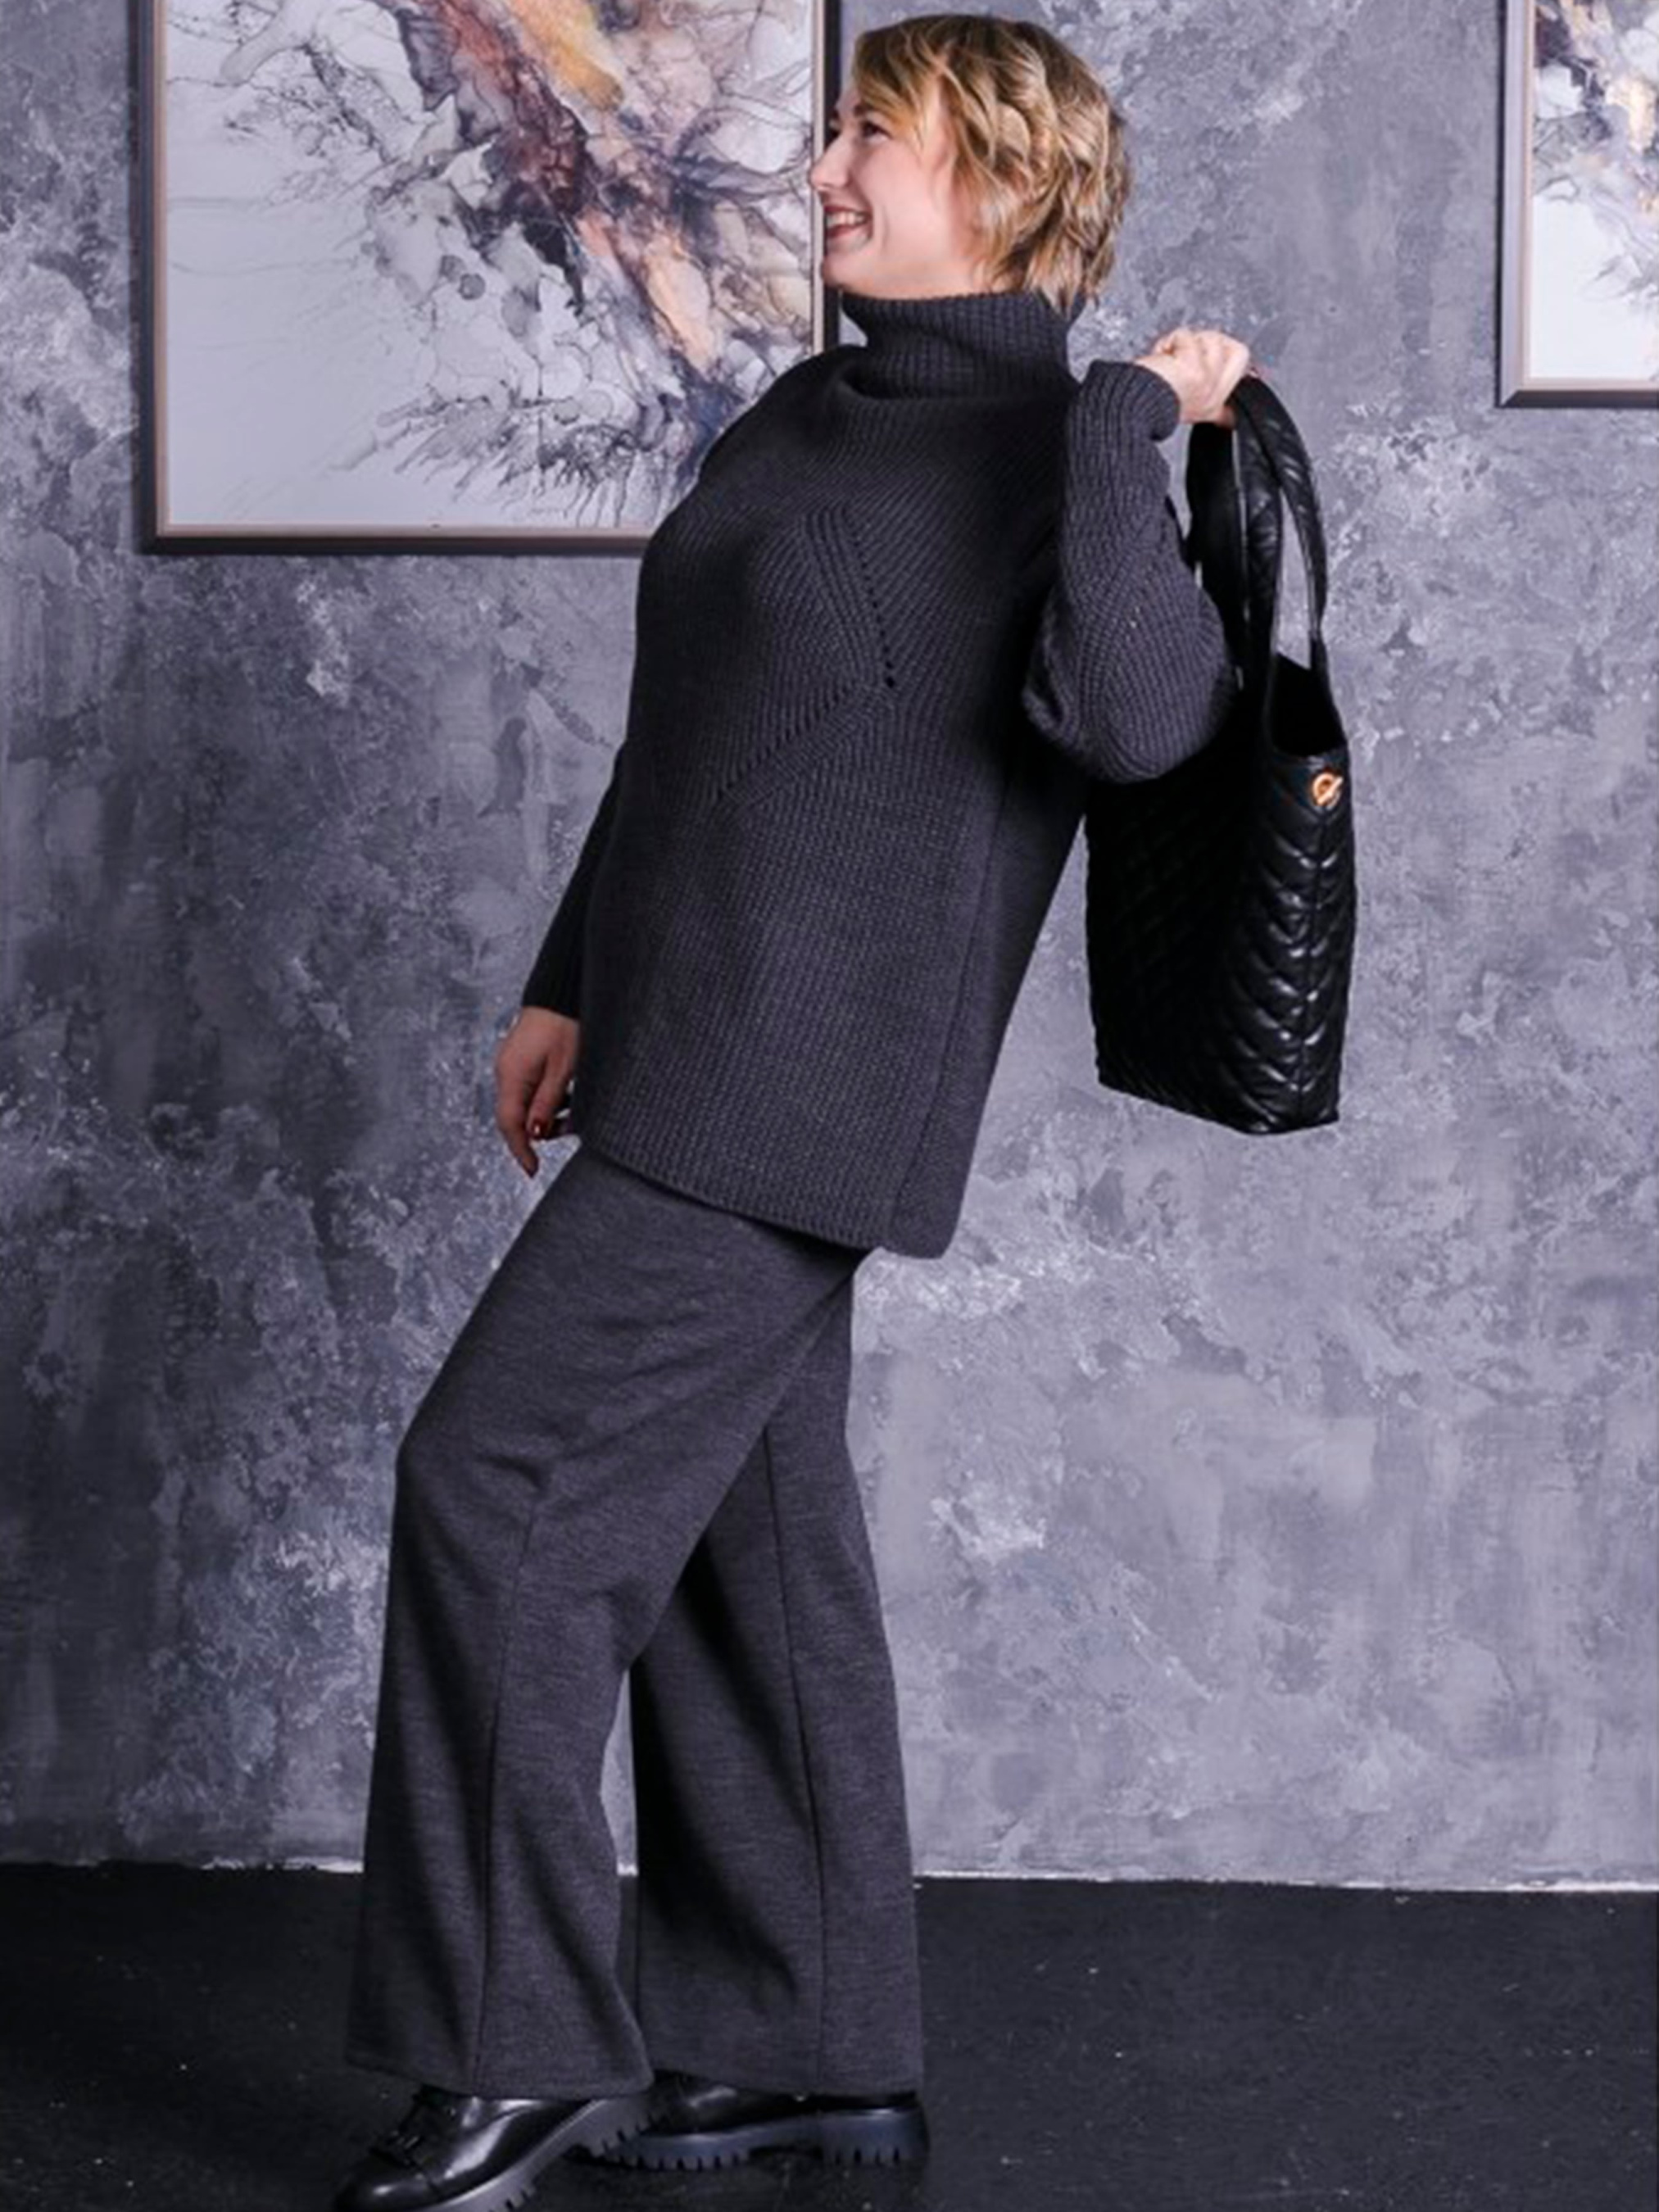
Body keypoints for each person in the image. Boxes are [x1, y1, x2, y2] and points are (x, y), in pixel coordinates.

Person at [329, 13, 1253, 2210]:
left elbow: (1138, 720)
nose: (824, 164)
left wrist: (1128, 418)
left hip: (808, 1084)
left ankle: (512, 2049)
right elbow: (696, 726)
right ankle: (804, 2048)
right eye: (836, 126)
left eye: (876, 136)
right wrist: (572, 974)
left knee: (493, 1490)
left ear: (1003, 181)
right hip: (683, 1039)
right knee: (749, 1558)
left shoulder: (1060, 443)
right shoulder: (810, 410)